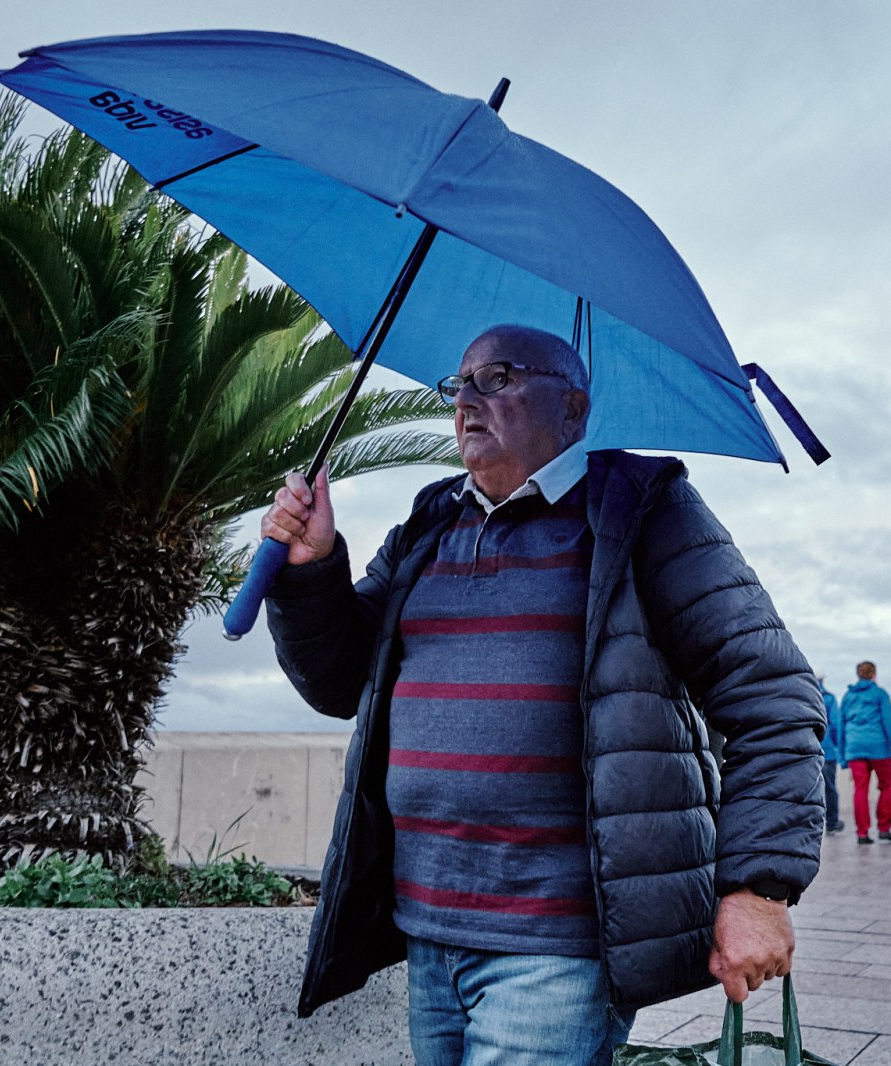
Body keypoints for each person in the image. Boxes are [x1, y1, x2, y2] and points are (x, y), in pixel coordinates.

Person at [261, 324, 824, 1064]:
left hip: (558, 947)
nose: (465, 400)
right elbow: (340, 684)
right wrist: (311, 568)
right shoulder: (431, 523)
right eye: (456, 385)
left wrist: (758, 889)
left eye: (497, 378)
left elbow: (772, 696)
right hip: (428, 932)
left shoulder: (643, 511)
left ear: (574, 408)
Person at [838, 661, 891, 844]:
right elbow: (889, 724)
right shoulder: (880, 694)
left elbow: (840, 726)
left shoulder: (847, 697)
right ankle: (884, 829)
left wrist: (842, 756)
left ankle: (862, 833)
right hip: (879, 748)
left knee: (860, 789)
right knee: (886, 786)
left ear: (858, 675)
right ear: (874, 674)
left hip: (854, 748)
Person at [819, 676, 846, 834]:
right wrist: (835, 745)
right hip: (827, 750)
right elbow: (835, 725)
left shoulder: (801, 693)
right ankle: (832, 823)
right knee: (830, 788)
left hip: (806, 749)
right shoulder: (828, 698)